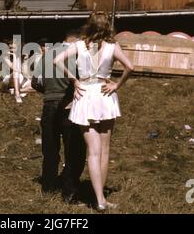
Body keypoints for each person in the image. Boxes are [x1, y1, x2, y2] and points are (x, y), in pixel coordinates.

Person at [54, 12, 134, 212]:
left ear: (88, 26)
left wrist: (74, 80)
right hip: (105, 95)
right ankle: (100, 199)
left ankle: (98, 198)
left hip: (85, 95)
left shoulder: (79, 45)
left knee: (93, 151)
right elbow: (130, 66)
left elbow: (56, 60)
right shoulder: (112, 46)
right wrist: (117, 85)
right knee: (104, 150)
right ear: (108, 26)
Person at [32, 30, 86, 204]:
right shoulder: (76, 54)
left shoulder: (47, 55)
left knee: (50, 148)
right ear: (75, 40)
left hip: (49, 105)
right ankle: (69, 192)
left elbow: (35, 82)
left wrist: (49, 91)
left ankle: (48, 186)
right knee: (73, 149)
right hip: (70, 105)